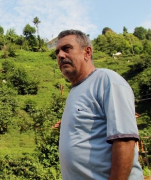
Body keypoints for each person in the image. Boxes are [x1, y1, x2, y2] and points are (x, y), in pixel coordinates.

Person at [55, 29, 143, 180]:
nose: (60, 55)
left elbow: (125, 140)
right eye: (57, 52)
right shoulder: (74, 92)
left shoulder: (106, 81)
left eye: (66, 49)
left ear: (87, 52)